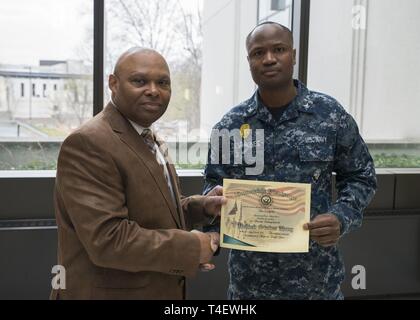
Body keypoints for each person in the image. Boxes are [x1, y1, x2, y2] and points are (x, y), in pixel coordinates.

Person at [203, 22, 377, 299]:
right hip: (250, 285)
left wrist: (340, 217)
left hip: (316, 282)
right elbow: (213, 187)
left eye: (279, 49)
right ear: (249, 61)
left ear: (293, 56)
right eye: (258, 53)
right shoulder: (230, 125)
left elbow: (361, 176)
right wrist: (212, 225)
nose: (269, 58)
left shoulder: (330, 115)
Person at [51, 47, 225, 300]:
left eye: (163, 82)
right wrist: (192, 247)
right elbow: (109, 240)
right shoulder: (88, 142)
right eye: (139, 81)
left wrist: (203, 207)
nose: (153, 90)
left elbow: (155, 216)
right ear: (113, 84)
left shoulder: (149, 136)